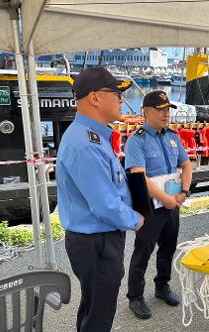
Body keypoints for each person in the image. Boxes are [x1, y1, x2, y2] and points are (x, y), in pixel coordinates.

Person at [56, 66, 144, 332]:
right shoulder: (86, 144)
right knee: (99, 316)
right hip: (97, 241)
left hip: (96, 240)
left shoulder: (93, 136)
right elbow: (105, 205)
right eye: (116, 93)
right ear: (95, 98)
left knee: (92, 306)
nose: (120, 99)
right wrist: (137, 219)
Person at [124, 90, 193, 319]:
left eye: (167, 110)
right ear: (146, 111)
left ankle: (162, 286)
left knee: (168, 248)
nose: (166, 114)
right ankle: (135, 296)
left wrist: (184, 192)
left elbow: (186, 165)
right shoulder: (137, 140)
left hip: (173, 204)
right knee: (142, 252)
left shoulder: (173, 136)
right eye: (160, 109)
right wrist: (167, 200)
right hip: (151, 207)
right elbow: (138, 176)